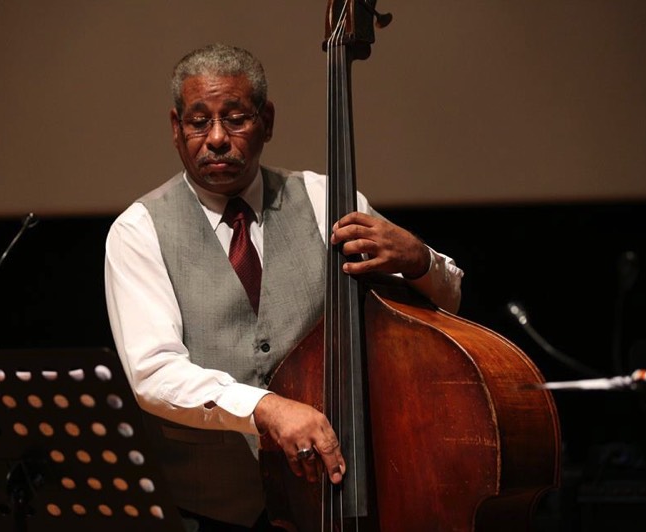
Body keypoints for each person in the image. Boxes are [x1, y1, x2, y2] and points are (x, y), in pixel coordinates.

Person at [104, 43, 463, 531]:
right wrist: (265, 407)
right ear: (175, 127)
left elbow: (447, 303)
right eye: (198, 121)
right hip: (207, 513)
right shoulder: (139, 230)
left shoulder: (324, 199)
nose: (215, 139)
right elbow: (153, 373)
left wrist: (422, 261)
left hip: (333, 498)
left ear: (267, 121)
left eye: (235, 119)